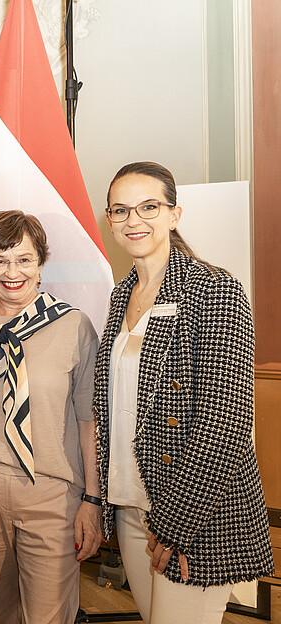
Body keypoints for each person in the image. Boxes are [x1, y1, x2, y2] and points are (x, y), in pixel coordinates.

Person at [95, 161, 272, 622]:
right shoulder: (120, 297)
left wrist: (176, 525)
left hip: (195, 516)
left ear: (174, 214)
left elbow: (225, 423)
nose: (134, 220)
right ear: (110, 220)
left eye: (148, 206)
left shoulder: (215, 290)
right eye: (121, 210)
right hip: (133, 506)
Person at [0, 210, 101, 624]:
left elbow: (89, 421)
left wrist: (92, 500)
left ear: (41, 263)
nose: (12, 272)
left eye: (24, 259)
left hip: (52, 496)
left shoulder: (74, 326)